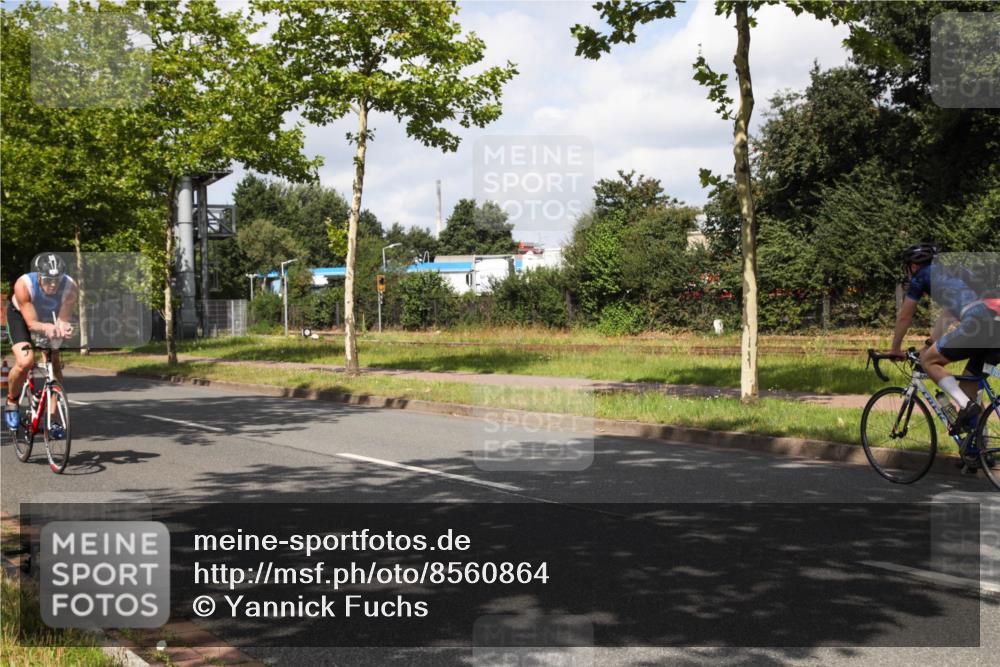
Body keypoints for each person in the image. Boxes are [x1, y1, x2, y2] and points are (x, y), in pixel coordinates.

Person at [889, 243, 1000, 447]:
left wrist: (895, 349)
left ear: (914, 265)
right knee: (968, 386)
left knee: (928, 361)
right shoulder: (951, 273)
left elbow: (905, 316)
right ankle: (980, 450)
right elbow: (948, 314)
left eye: (907, 267)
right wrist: (929, 344)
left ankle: (966, 406)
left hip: (978, 322)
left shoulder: (921, 277)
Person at [3, 254, 77, 434]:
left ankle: (53, 419)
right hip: (21, 317)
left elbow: (62, 319)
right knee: (25, 361)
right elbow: (31, 324)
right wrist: (47, 328)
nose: (53, 284)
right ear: (38, 276)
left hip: (49, 316)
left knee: (54, 364)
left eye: (57, 280)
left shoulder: (71, 286)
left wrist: (64, 327)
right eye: (48, 279)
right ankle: (11, 402)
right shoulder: (23, 285)